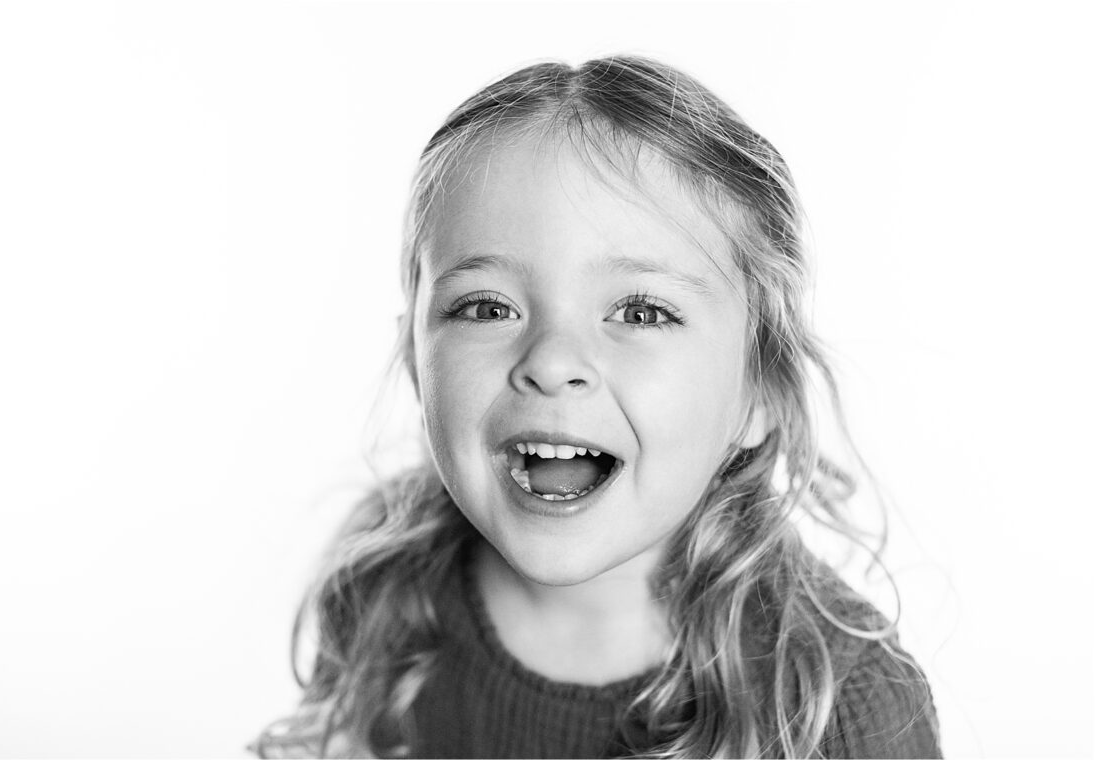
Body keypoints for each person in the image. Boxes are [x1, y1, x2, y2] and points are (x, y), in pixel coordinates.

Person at [253, 55, 941, 759]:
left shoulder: (842, 705)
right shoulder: (385, 596)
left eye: (641, 311)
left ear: (760, 389)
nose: (551, 361)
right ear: (414, 360)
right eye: (486, 306)